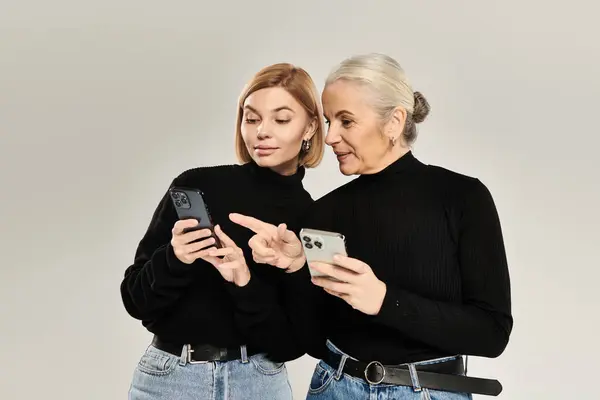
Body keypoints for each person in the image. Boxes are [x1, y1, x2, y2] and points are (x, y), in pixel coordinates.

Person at [230, 53, 513, 400]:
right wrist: (295, 270)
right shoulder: (323, 213)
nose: (331, 136)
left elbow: (492, 333)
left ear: (394, 122)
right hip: (334, 387)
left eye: (346, 122)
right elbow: (312, 341)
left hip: (427, 392)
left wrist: (383, 300)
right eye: (330, 120)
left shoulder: (463, 197)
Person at [120, 62, 325, 400]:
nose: (262, 131)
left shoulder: (314, 218)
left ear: (310, 127)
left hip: (258, 382)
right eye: (252, 117)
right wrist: (175, 259)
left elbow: (294, 343)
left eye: (282, 119)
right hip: (169, 377)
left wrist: (244, 280)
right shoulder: (197, 185)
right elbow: (135, 300)